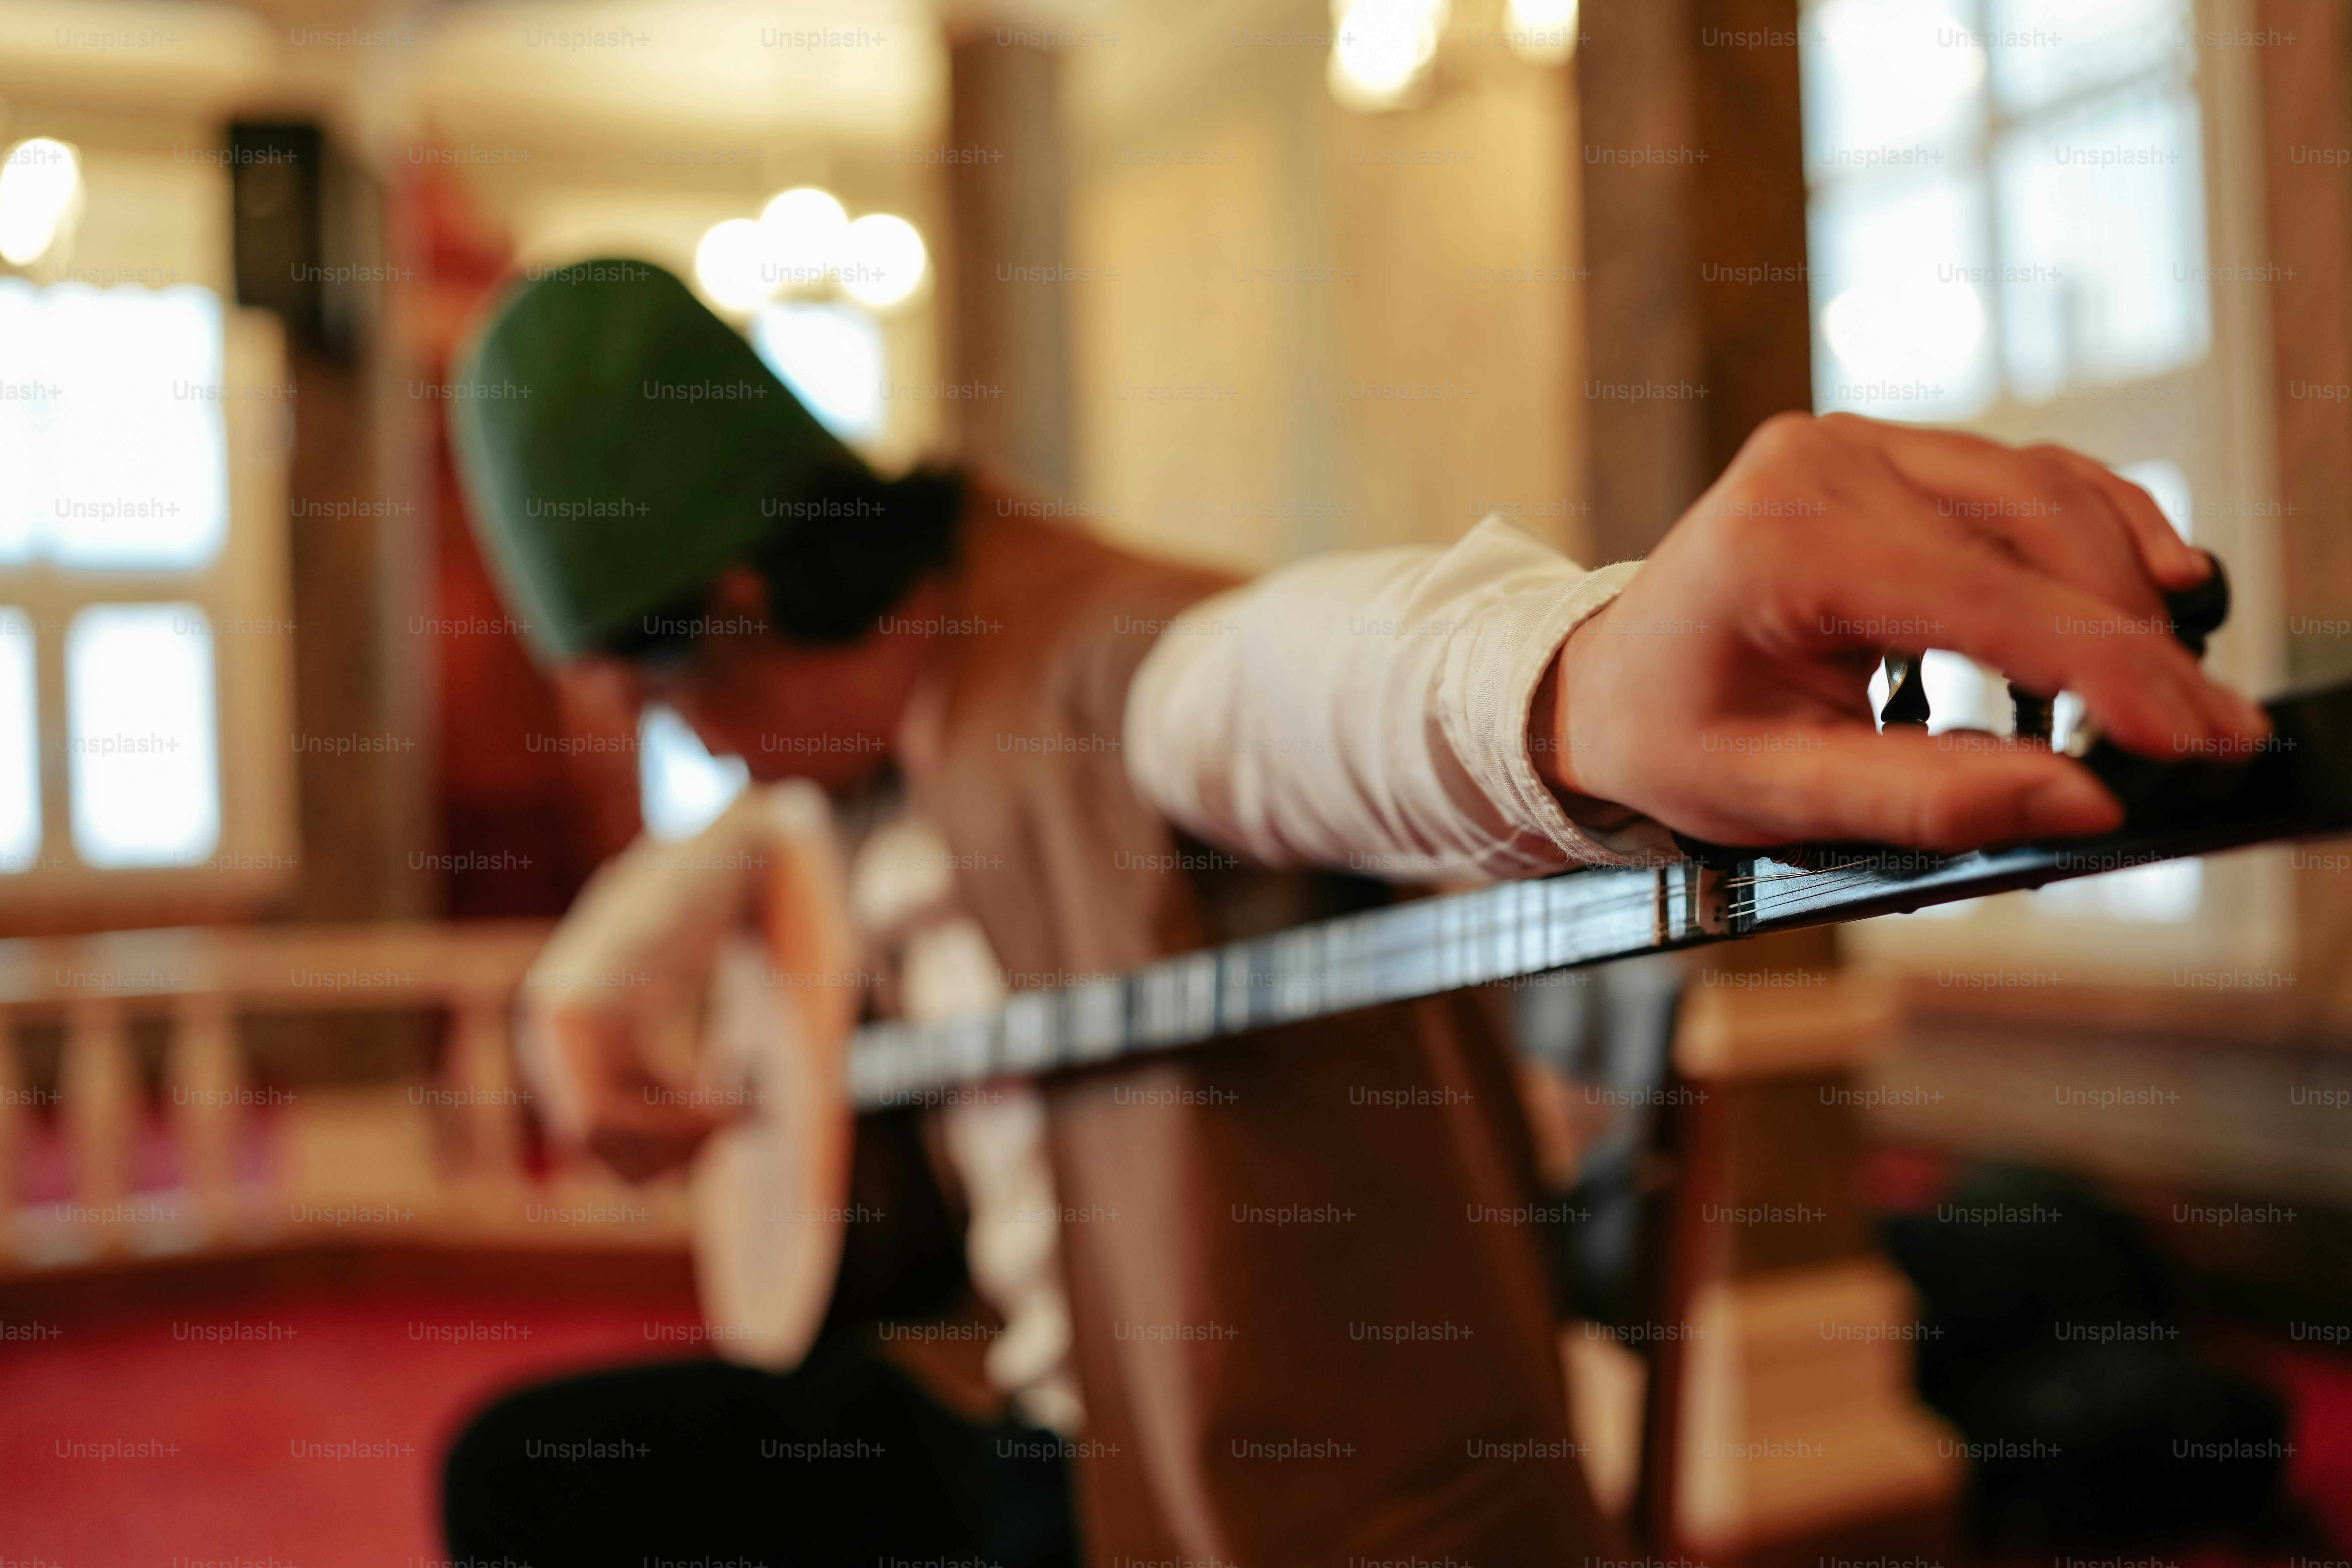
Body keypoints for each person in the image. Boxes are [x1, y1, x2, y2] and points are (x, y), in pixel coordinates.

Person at [438, 260, 2264, 1568]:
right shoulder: (853, 757)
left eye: (681, 705)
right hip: (985, 1392)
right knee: (525, 1471)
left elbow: (1277, 690)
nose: (714, 761)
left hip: (1175, 1487)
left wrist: (1571, 675)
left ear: (745, 599)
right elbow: (741, 851)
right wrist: (586, 989)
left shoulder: (1090, 658)